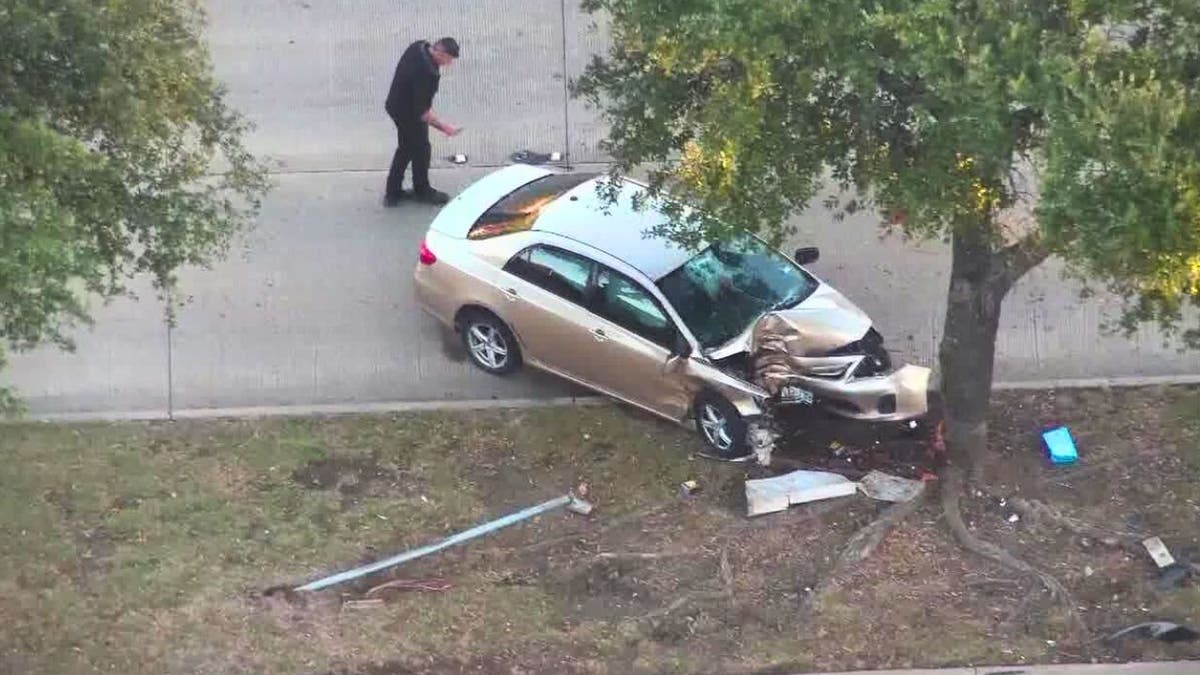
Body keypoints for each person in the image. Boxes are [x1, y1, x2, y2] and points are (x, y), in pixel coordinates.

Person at [383, 37, 461, 206]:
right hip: (406, 113)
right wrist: (445, 128)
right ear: (440, 52)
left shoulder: (418, 46)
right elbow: (422, 113)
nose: (449, 63)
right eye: (448, 59)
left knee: (413, 147)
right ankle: (419, 191)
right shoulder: (427, 74)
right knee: (415, 148)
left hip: (396, 103)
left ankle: (395, 192)